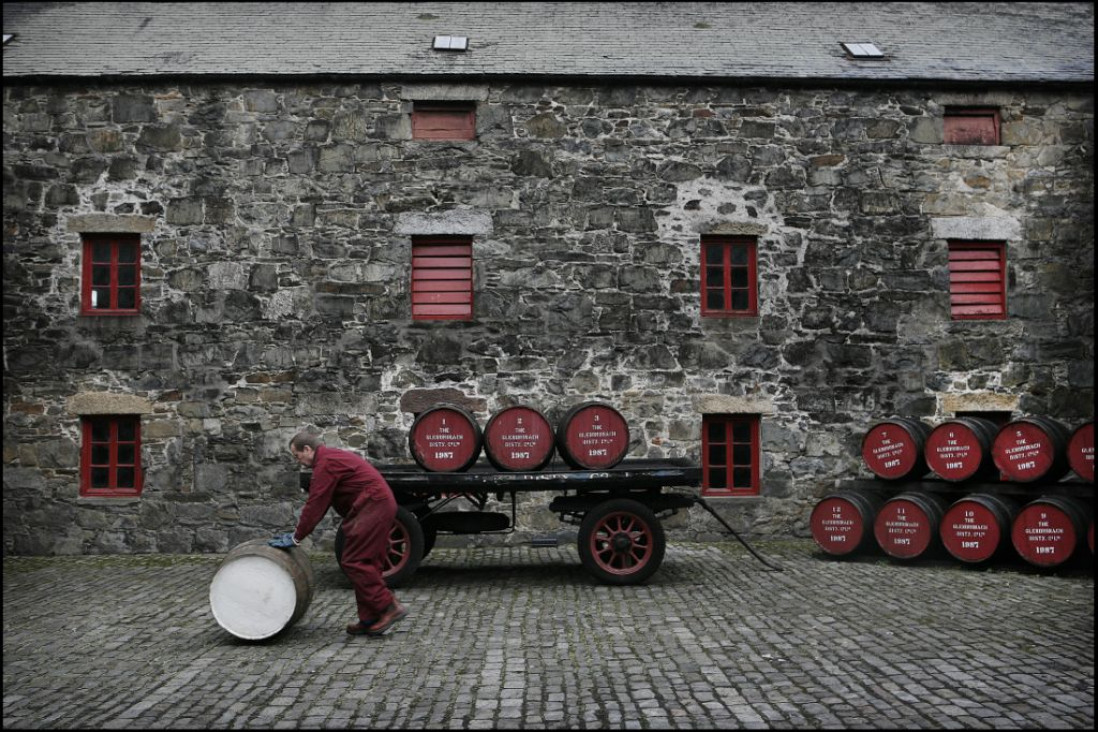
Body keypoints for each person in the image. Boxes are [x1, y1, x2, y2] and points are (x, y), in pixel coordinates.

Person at [269, 431, 408, 636]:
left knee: (354, 561)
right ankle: (369, 618)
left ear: (307, 449)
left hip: (373, 505)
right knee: (367, 562)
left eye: (297, 456)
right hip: (376, 504)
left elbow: (316, 503)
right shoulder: (330, 458)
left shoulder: (325, 464)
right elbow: (322, 503)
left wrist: (297, 536)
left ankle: (389, 606)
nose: (298, 461)